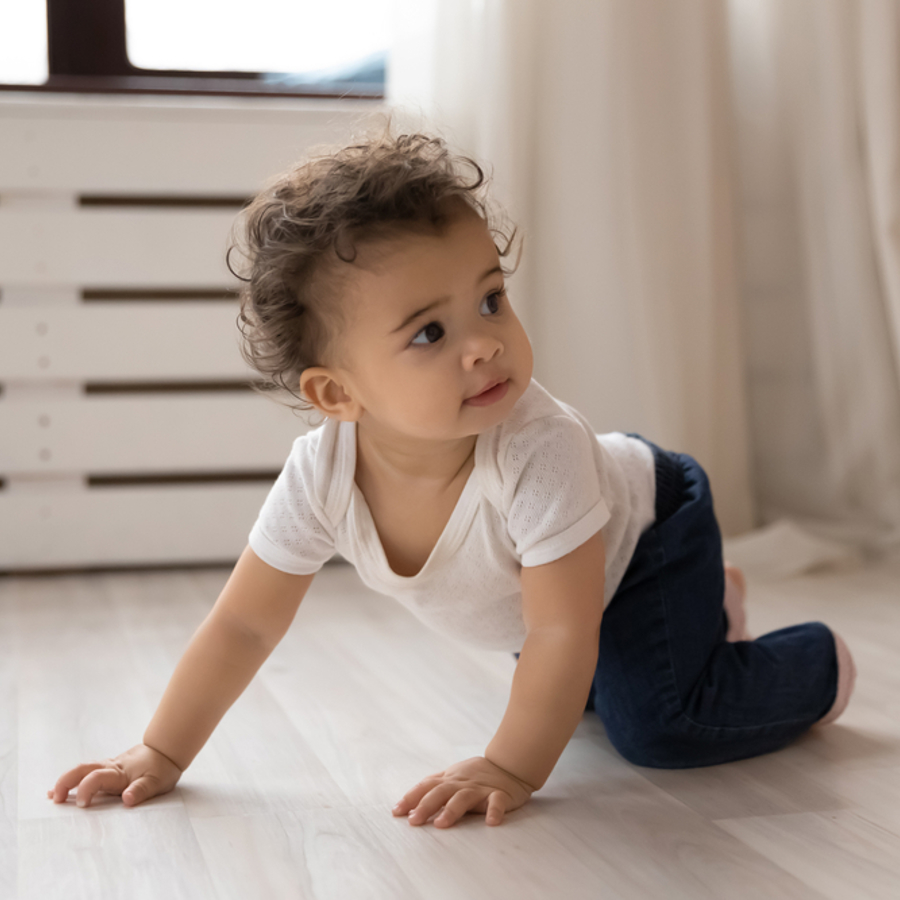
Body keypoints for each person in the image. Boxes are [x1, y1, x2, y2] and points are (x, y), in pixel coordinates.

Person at [48, 131, 856, 829]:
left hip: (650, 536)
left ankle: (816, 663)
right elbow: (244, 628)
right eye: (430, 332)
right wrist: (160, 750)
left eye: (493, 300)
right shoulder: (322, 476)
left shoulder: (539, 450)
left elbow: (558, 635)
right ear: (339, 395)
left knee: (655, 728)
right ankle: (711, 615)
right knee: (584, 706)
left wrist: (508, 768)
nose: (484, 345)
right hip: (565, 588)